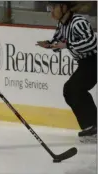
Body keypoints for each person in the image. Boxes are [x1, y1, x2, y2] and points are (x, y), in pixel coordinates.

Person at [36, 1, 97, 143]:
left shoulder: (78, 22)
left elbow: (92, 43)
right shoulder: (62, 25)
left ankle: (94, 126)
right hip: (86, 63)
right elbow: (58, 42)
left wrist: (67, 44)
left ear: (64, 8)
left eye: (53, 7)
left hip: (94, 60)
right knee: (71, 90)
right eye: (49, 8)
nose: (50, 11)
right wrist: (49, 44)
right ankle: (91, 125)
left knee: (74, 88)